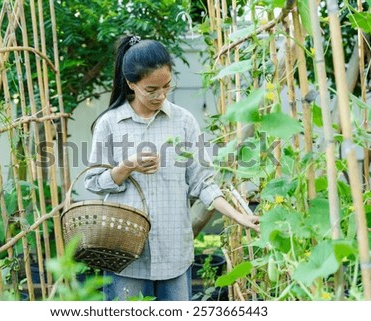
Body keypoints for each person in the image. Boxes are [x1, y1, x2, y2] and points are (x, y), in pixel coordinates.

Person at [84, 35, 260, 301]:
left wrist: (238, 216)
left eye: (166, 86)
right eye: (151, 90)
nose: (161, 95)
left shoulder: (184, 121)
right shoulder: (110, 123)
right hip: (126, 254)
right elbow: (93, 181)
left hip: (174, 251)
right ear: (131, 84)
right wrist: (128, 166)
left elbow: (203, 182)